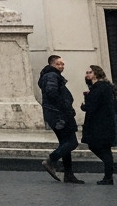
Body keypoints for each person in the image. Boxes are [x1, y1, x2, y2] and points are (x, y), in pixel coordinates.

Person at [40, 54, 84, 183]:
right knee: (72, 142)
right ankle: (51, 160)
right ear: (51, 65)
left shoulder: (50, 76)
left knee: (65, 143)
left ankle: (69, 174)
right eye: (58, 64)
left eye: (62, 64)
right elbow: (52, 93)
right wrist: (64, 107)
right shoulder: (51, 76)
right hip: (59, 115)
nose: (61, 66)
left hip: (56, 114)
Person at [84, 64, 117, 185]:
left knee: (97, 146)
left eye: (89, 72)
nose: (87, 74)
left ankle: (109, 172)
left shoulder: (99, 88)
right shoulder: (103, 87)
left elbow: (92, 106)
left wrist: (85, 102)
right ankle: (108, 175)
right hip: (104, 122)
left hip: (100, 123)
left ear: (96, 74)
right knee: (104, 149)